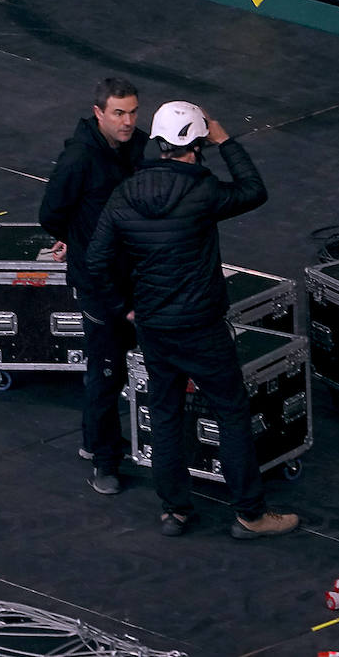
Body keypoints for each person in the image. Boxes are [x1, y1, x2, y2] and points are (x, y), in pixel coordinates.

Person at [84, 101, 299, 540]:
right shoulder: (204, 191)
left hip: (154, 325)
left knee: (165, 414)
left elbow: (96, 260)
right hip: (201, 326)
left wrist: (122, 307)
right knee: (231, 412)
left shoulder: (126, 193)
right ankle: (250, 515)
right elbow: (254, 190)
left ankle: (175, 511)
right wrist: (227, 143)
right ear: (197, 144)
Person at [39, 77, 149, 495]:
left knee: (114, 365)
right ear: (98, 112)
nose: (127, 121)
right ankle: (105, 462)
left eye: (133, 111)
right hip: (97, 281)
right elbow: (50, 213)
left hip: (133, 272)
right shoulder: (78, 160)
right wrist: (79, 237)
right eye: (118, 113)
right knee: (106, 369)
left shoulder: (137, 145)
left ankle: (93, 441)